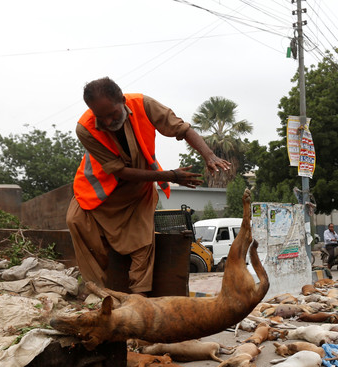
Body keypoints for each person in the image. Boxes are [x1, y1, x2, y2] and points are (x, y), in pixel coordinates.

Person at [65, 77, 229, 295]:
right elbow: (120, 171)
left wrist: (209, 155)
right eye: (100, 117)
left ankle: (138, 299)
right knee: (75, 220)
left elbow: (182, 129)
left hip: (137, 192)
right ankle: (97, 294)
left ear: (122, 100)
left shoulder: (143, 105)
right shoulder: (85, 129)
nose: (107, 122)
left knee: (143, 243)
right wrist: (171, 175)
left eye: (112, 114)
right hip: (100, 194)